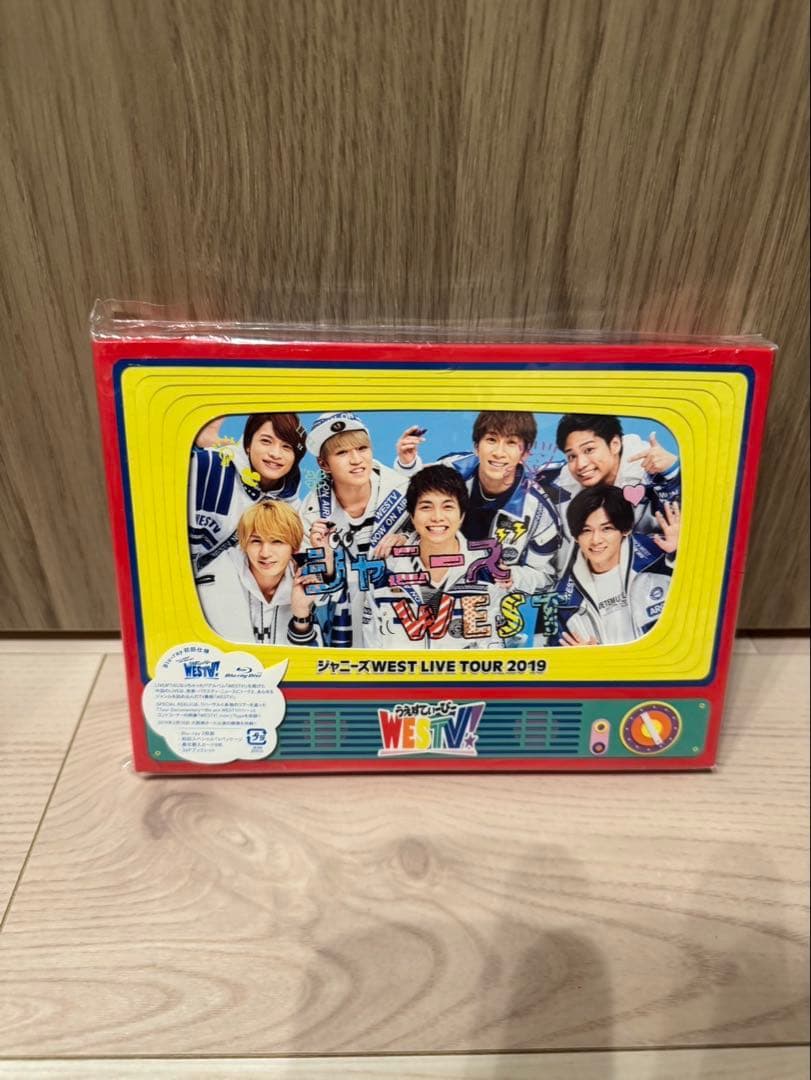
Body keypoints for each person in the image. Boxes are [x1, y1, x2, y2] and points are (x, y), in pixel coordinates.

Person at [394, 411, 560, 597]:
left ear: (525, 453)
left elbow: (547, 577)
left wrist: (513, 577)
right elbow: (416, 498)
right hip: (436, 581)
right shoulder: (452, 468)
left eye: (511, 443)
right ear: (476, 446)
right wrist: (407, 465)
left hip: (489, 601)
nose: (499, 453)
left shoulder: (539, 510)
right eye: (491, 440)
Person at [361, 465, 507, 650]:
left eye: (447, 507)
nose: (437, 517)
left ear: (462, 515)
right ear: (412, 516)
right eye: (426, 507)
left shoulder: (486, 571)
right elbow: (372, 648)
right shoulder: (385, 572)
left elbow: (494, 649)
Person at [299, 412, 411, 647]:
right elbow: (312, 591)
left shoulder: (403, 492)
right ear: (323, 464)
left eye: (362, 448)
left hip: (401, 622)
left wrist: (406, 539)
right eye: (342, 453)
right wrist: (326, 561)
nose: (356, 460)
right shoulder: (311, 513)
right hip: (342, 628)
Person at [536, 413, 680, 573]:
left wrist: (674, 474)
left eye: (589, 450)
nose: (581, 464)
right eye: (572, 456)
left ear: (615, 445)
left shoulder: (657, 474)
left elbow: (690, 528)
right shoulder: (554, 484)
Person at [547, 484, 680, 646]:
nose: (596, 540)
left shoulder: (660, 556)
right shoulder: (563, 599)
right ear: (575, 536)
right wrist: (582, 659)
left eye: (606, 529)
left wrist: (680, 555)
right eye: (586, 530)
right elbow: (553, 652)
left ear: (626, 529)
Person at [189, 413, 307, 572]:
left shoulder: (291, 509)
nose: (275, 454)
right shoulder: (211, 465)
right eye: (266, 441)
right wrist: (191, 447)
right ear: (248, 444)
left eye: (287, 447)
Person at [195, 501, 320, 646]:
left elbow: (311, 656)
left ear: (295, 547)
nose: (265, 553)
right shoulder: (213, 584)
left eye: (277, 541)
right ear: (244, 544)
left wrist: (301, 613)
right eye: (256, 541)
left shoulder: (306, 581)